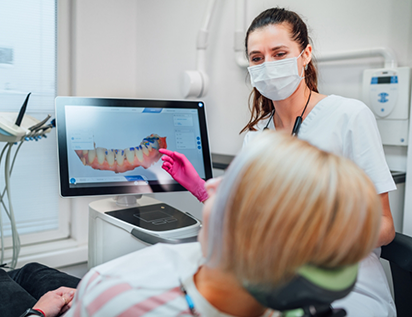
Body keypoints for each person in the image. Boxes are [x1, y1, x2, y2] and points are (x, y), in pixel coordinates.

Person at [0, 132, 380, 317]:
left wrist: (42, 311)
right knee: (31, 272)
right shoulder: (300, 297)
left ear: (237, 233)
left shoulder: (115, 290)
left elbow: (105, 295)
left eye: (229, 186)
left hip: (89, 305)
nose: (215, 183)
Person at [160, 7, 396, 317]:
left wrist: (307, 238)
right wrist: (201, 189)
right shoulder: (257, 137)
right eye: (257, 58)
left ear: (305, 53)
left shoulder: (349, 116)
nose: (267, 65)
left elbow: (384, 226)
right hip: (269, 278)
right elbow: (241, 219)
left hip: (344, 283)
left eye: (279, 53)